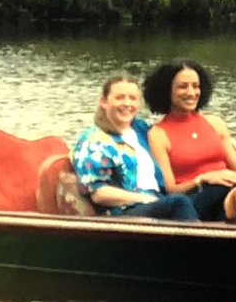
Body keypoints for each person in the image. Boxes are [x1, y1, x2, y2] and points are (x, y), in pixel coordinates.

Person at [71, 75, 200, 221]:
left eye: (132, 98)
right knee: (179, 203)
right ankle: (200, 242)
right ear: (104, 102)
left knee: (215, 193)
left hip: (159, 199)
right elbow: (99, 194)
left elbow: (174, 140)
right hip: (125, 212)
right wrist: (144, 199)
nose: (127, 103)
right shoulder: (94, 141)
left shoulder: (142, 130)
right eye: (119, 98)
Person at [143, 59, 236, 221]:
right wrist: (202, 179)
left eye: (195, 86)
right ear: (167, 91)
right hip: (193, 199)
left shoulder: (215, 123)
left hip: (229, 191)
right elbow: (170, 189)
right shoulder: (158, 134)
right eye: (183, 87)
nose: (191, 93)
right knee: (220, 189)